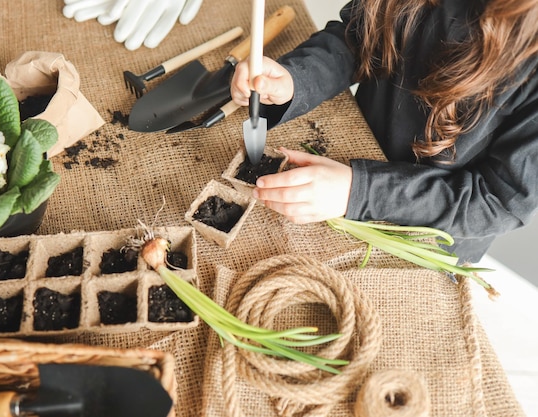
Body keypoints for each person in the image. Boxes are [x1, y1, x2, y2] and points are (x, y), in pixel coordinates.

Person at [230, 0, 538, 263]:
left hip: (426, 236)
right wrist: (297, 79)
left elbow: (499, 201)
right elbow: (357, 37)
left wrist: (359, 191)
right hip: (350, 158)